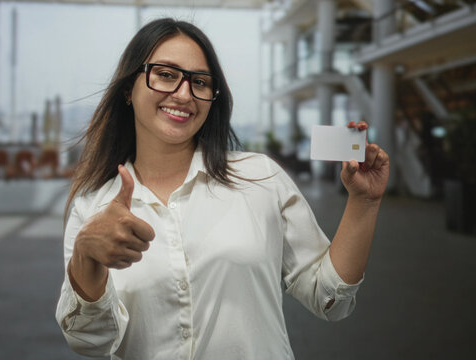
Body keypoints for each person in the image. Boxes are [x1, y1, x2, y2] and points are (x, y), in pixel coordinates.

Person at [56, 18, 389, 360]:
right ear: (129, 88)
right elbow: (91, 341)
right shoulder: (92, 207)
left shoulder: (260, 178)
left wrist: (363, 202)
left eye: (200, 82)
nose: (184, 94)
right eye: (166, 74)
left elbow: (328, 298)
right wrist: (86, 257)